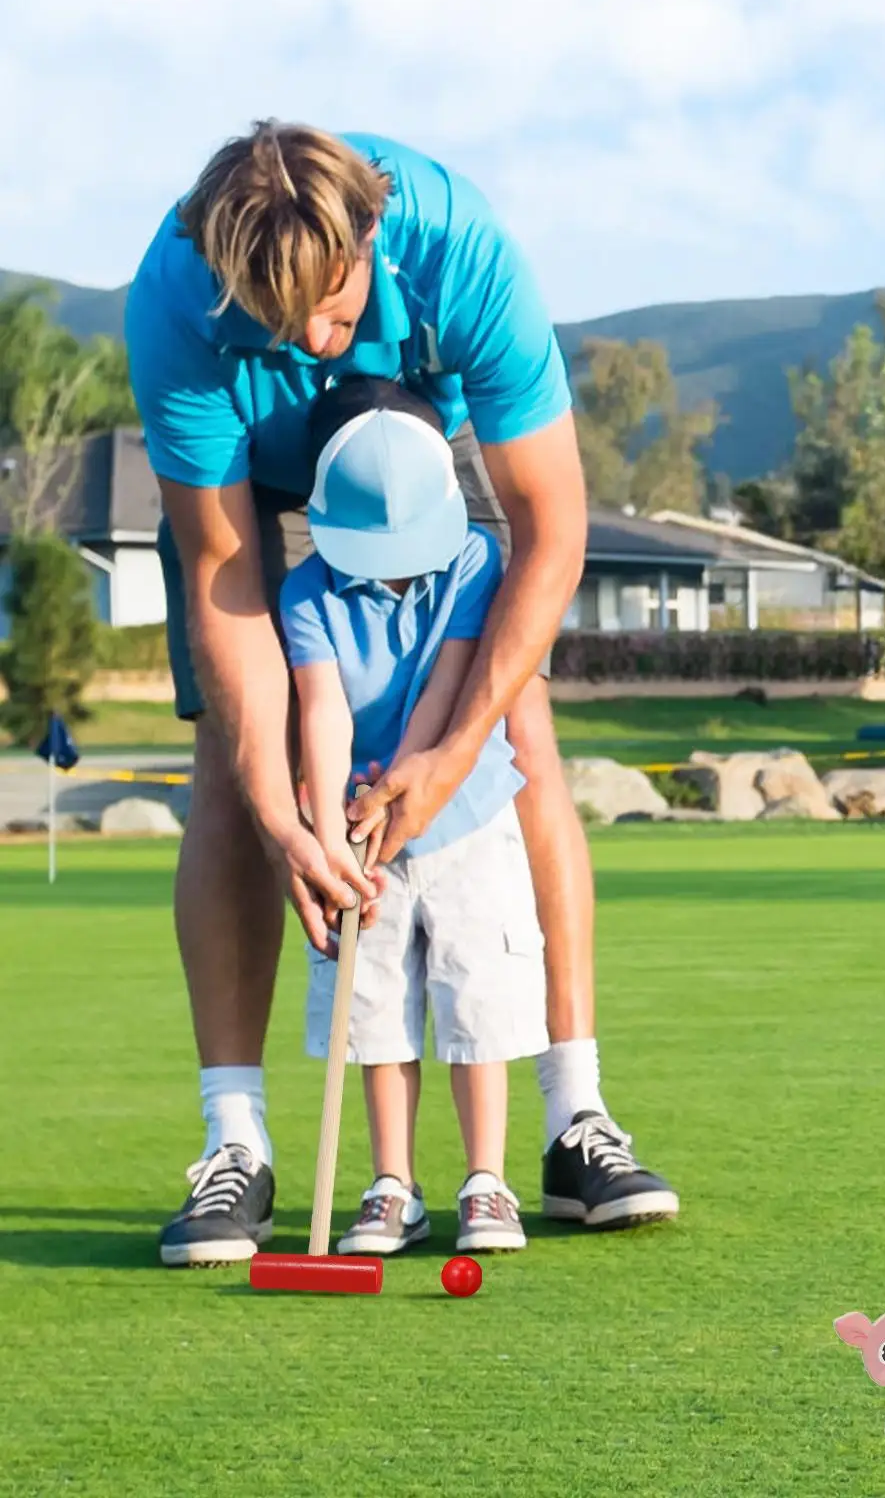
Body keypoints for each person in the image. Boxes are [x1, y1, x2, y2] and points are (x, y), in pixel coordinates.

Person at [126, 122, 678, 1268]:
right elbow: (229, 577)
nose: (312, 344)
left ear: (371, 235)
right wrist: (283, 813)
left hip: (418, 452)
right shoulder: (178, 299)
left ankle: (574, 1115)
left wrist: (452, 747)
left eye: (332, 312)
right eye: (281, 324)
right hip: (257, 477)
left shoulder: (461, 252)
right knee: (231, 766)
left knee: (518, 735)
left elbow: (551, 529)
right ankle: (236, 1145)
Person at [285, 381, 544, 1256]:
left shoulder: (473, 560)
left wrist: (403, 784)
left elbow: (448, 687)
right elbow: (322, 710)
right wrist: (331, 834)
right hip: (364, 833)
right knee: (373, 1008)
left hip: (467, 817)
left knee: (477, 997)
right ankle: (392, 1184)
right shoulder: (307, 593)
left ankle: (486, 1181)